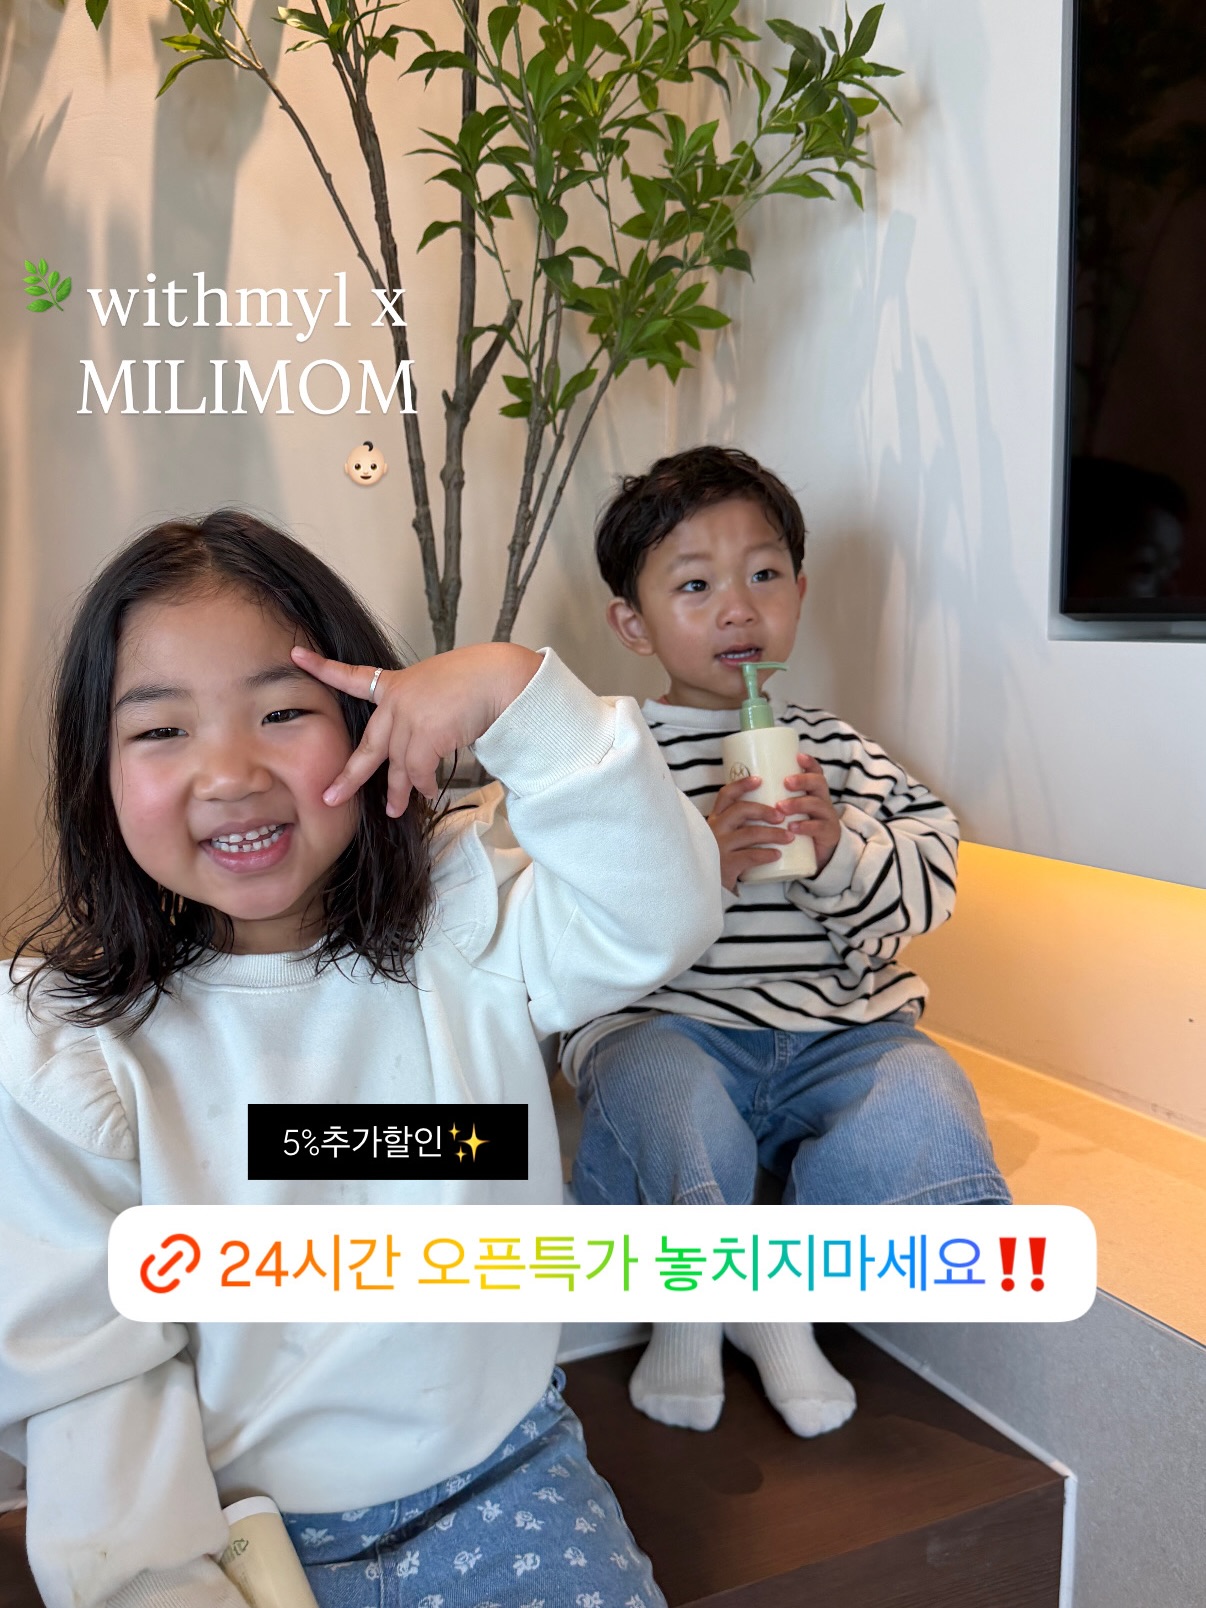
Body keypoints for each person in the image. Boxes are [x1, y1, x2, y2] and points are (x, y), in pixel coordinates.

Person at [0, 510, 724, 1608]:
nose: (229, 772)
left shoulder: (465, 926)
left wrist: (516, 690)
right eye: (162, 730)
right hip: (227, 1529)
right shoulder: (72, 1046)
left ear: (368, 722)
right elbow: (87, 1375)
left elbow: (662, 911)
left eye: (281, 712)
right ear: (94, 775)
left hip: (501, 1477)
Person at [566, 446, 1011, 1438]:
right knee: (663, 1091)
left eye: (764, 574)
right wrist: (698, 864)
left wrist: (839, 848)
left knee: (927, 1108)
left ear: (800, 594)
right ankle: (699, 1310)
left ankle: (777, 1295)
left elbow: (932, 882)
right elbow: (567, 917)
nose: (738, 608)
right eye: (695, 586)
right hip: (673, 1026)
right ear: (633, 624)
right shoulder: (611, 757)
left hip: (846, 1035)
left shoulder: (839, 750)